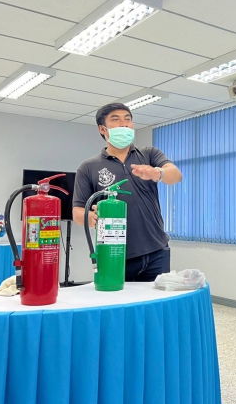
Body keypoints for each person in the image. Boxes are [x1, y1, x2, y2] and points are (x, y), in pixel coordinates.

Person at [72, 102, 182, 282]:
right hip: (113, 253)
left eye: (128, 119)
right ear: (103, 129)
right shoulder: (88, 167)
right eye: (116, 120)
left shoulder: (148, 154)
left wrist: (157, 173)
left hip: (157, 251)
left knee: (156, 299)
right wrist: (93, 217)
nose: (124, 124)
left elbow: (176, 175)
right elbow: (77, 213)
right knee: (116, 297)